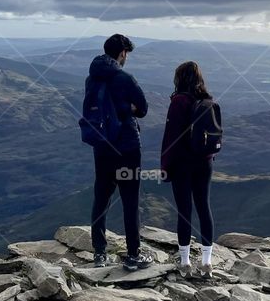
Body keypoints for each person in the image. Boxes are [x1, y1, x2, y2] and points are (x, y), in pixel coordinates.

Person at [85, 34, 153, 272]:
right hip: (126, 147)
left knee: (101, 197)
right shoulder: (125, 78)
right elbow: (142, 108)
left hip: (102, 146)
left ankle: (100, 253)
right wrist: (127, 108)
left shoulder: (91, 78)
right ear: (122, 52)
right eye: (127, 54)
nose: (127, 58)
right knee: (130, 200)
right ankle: (133, 254)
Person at [160, 61, 216, 278]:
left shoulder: (179, 102)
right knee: (204, 207)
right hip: (205, 162)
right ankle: (207, 262)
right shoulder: (207, 100)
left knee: (184, 211)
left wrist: (165, 166)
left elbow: (170, 137)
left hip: (183, 163)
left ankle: (184, 262)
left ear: (179, 78)